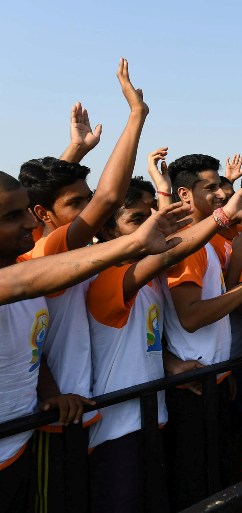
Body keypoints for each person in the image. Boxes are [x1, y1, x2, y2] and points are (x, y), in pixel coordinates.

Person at [0, 170, 192, 513]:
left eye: (27, 210)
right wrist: (222, 218)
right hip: (56, 431)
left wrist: (50, 391)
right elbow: (107, 199)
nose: (29, 222)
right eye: (13, 216)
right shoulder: (37, 268)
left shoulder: (32, 274)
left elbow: (28, 352)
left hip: (37, 432)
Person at [87, 178, 242, 513]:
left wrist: (172, 363)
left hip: (152, 414)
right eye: (136, 220)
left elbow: (146, 338)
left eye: (151, 216)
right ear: (109, 232)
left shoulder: (150, 282)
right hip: (117, 429)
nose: (149, 227)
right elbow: (174, 258)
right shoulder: (111, 279)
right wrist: (224, 219)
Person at [18, 58, 149, 512]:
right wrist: (136, 116)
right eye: (79, 205)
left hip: (75, 407)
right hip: (51, 417)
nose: (90, 211)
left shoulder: (60, 246)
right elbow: (107, 198)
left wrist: (73, 153)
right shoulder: (49, 253)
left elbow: (46, 198)